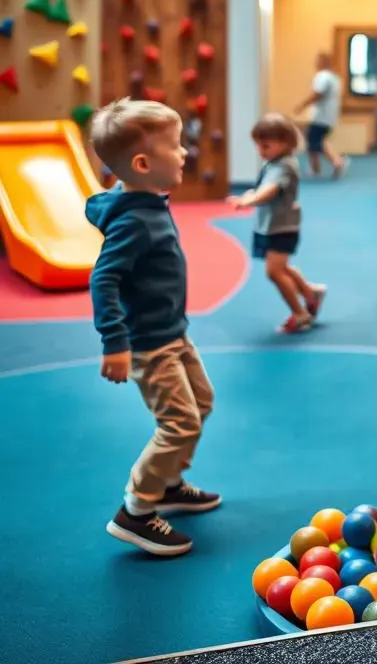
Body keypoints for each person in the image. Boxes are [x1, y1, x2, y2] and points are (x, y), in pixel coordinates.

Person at [86, 98, 221, 558]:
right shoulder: (133, 220)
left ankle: (167, 484)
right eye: (176, 147)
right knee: (179, 422)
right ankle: (136, 510)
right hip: (149, 345)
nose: (185, 153)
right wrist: (115, 343)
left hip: (173, 332)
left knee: (201, 402)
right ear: (143, 164)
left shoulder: (148, 203)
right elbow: (103, 277)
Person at [228, 113, 326, 334]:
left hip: (282, 227)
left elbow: (270, 190)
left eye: (265, 145)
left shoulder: (284, 166)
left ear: (285, 143)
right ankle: (311, 293)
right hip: (273, 225)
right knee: (281, 267)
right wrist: (249, 195)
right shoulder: (274, 163)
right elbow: (264, 188)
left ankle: (300, 313)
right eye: (259, 146)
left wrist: (249, 201)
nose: (261, 151)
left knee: (273, 272)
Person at [294, 51, 346, 179]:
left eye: (318, 60)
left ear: (324, 62)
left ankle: (336, 162)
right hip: (329, 117)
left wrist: (302, 105)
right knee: (316, 141)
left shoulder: (323, 76)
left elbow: (317, 93)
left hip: (321, 117)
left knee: (315, 143)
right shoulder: (335, 78)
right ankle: (316, 168)